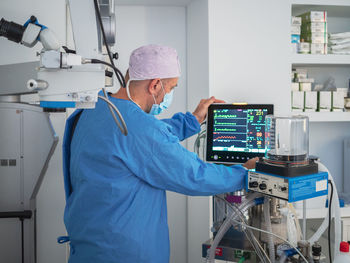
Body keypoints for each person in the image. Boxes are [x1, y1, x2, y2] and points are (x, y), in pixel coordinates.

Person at [61, 44, 258, 263]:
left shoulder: (94, 110)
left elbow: (140, 142)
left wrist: (192, 120)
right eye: (171, 88)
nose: (169, 94)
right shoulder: (141, 130)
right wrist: (246, 174)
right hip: (124, 253)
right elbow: (194, 175)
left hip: (88, 248)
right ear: (155, 85)